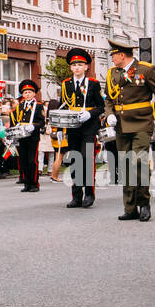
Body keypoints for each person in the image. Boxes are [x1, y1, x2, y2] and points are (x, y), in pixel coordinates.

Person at [104, 34, 155, 222]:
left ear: (122, 55)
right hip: (121, 126)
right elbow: (109, 98)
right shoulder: (112, 73)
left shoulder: (146, 70)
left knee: (139, 164)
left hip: (141, 124)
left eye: (113, 55)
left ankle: (144, 204)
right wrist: (109, 114)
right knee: (125, 167)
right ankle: (130, 207)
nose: (112, 58)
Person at [51, 47, 103, 208]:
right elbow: (62, 107)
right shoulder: (66, 84)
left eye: (80, 65)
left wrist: (90, 114)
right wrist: (59, 129)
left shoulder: (93, 83)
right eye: (74, 65)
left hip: (89, 126)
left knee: (86, 159)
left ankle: (89, 193)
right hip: (72, 127)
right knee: (74, 159)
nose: (77, 68)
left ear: (86, 67)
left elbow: (101, 106)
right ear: (71, 68)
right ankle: (76, 195)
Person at [12, 79, 45, 193]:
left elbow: (42, 122)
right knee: (23, 160)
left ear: (34, 93)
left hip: (33, 137)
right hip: (22, 136)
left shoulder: (38, 106)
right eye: (25, 92)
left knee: (32, 160)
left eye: (29, 92)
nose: (27, 94)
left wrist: (34, 126)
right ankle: (26, 183)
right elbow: (16, 120)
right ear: (22, 94)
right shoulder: (20, 106)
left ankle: (34, 183)